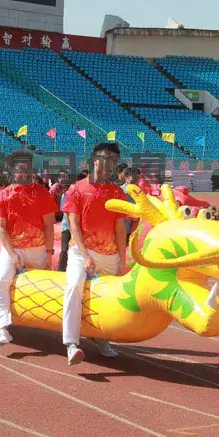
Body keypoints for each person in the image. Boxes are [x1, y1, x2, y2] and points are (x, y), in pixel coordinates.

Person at [61, 142, 127, 365]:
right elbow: (73, 224)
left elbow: (119, 228)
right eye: (105, 159)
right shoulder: (77, 189)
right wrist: (86, 255)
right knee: (74, 286)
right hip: (81, 251)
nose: (109, 165)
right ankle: (71, 343)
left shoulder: (117, 192)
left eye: (113, 161)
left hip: (109, 254)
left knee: (108, 298)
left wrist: (122, 260)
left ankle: (101, 338)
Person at [0, 151, 58, 347]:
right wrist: (12, 254)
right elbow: (1, 228)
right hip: (12, 248)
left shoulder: (42, 193)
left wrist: (48, 254)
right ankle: (2, 328)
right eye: (20, 168)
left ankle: (48, 324)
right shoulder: (4, 194)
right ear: (13, 170)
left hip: (38, 249)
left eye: (27, 167)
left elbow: (49, 225)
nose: (24, 171)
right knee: (0, 281)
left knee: (45, 286)